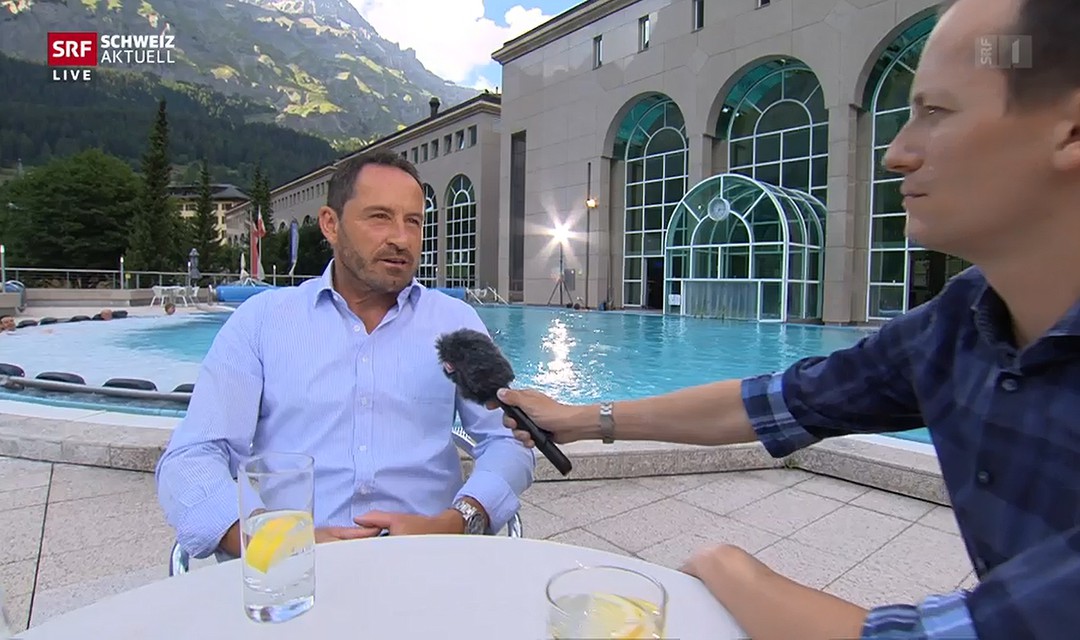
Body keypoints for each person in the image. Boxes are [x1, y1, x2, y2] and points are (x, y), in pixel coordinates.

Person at [494, 0, 1080, 638]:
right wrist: (581, 420)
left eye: (936, 113)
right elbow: (777, 401)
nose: (897, 154)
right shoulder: (960, 325)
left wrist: (735, 573)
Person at [156, 151, 535, 560]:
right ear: (330, 224)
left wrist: (460, 518)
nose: (401, 238)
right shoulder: (262, 323)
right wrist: (272, 539)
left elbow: (507, 439)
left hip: (426, 563)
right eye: (379, 217)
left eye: (413, 221)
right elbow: (192, 456)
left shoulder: (456, 323)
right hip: (291, 572)